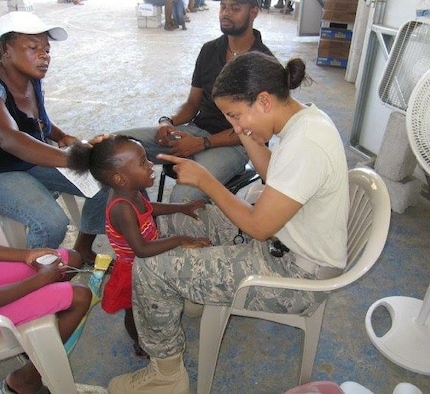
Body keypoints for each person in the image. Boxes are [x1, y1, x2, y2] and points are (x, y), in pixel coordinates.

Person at [107, 52, 349, 393]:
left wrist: (206, 180)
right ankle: (187, 290)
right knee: (183, 218)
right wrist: (246, 130)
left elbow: (259, 227)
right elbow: (272, 174)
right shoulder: (304, 121)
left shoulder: (306, 142)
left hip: (294, 275)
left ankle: (167, 376)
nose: (233, 127)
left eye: (235, 115)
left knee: (149, 268)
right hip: (284, 243)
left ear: (264, 101)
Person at [0, 11, 109, 263]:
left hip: (30, 160)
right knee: (51, 223)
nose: (44, 56)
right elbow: (7, 137)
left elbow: (36, 119)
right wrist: (76, 158)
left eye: (47, 49)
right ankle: (35, 282)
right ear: (5, 49)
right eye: (33, 47)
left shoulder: (29, 75)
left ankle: (83, 248)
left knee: (106, 179)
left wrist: (63, 136)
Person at [0, 118, 93, 394]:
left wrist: (27, 254)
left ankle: (40, 341)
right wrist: (40, 280)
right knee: (80, 295)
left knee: (70, 259)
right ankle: (24, 381)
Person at [68, 135, 211, 358]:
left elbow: (148, 208)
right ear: (120, 178)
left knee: (149, 302)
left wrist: (181, 208)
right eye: (143, 162)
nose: (151, 165)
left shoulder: (131, 193)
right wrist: (180, 239)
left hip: (146, 260)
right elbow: (142, 249)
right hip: (133, 268)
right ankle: (139, 341)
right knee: (135, 310)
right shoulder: (121, 208)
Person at [118, 0, 274, 203]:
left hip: (235, 144)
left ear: (254, 12)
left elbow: (254, 131)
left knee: (183, 198)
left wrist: (201, 144)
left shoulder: (265, 64)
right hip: (195, 130)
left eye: (235, 9)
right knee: (113, 149)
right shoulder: (209, 50)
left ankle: (178, 231)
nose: (225, 13)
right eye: (223, 6)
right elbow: (193, 103)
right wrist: (168, 122)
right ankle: (142, 216)